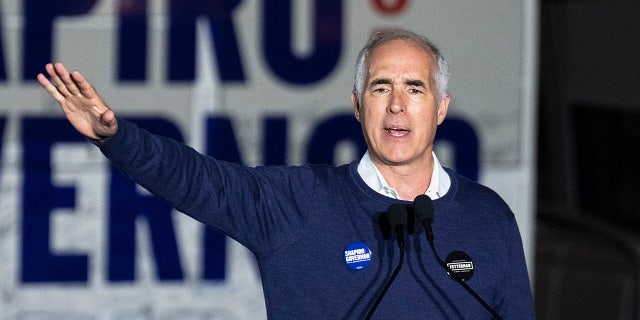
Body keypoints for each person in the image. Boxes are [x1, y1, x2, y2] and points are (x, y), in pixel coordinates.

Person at [37, 29, 535, 319]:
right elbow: (195, 179)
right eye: (381, 88)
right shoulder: (296, 204)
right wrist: (116, 136)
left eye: (416, 89)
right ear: (359, 107)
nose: (397, 106)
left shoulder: (488, 216)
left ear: (442, 108)